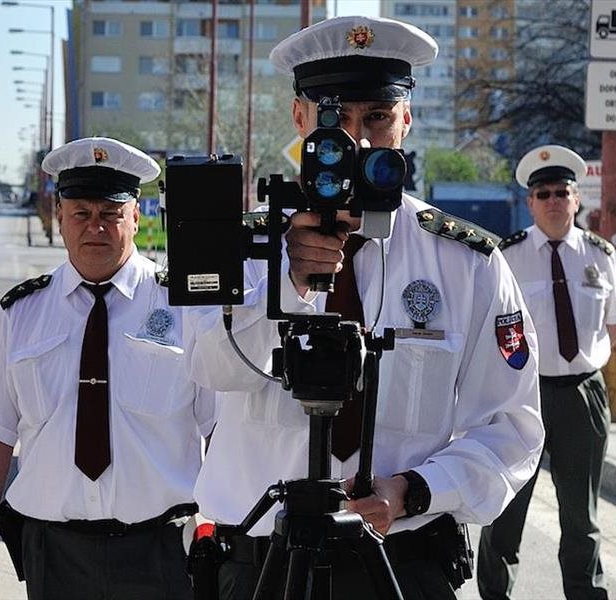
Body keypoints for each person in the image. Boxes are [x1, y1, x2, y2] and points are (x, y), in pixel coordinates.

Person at [183, 15, 545, 600]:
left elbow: (512, 428)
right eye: (335, 120)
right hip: (262, 564)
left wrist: (415, 490)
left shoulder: (467, 263)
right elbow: (208, 369)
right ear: (299, 120)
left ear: (406, 118)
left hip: (402, 561)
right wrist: (290, 280)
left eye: (376, 117)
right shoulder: (243, 249)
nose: (356, 140)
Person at [0, 137, 216, 599]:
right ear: (59, 217)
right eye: (81, 214)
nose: (96, 228)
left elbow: (221, 428)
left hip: (162, 551)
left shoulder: (184, 308)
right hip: (54, 553)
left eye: (111, 214)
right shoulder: (21, 314)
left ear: (135, 216)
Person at [477, 145, 616, 600]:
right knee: (507, 509)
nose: (554, 201)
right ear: (530, 202)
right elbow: (492, 332)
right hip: (523, 395)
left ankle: (585, 594)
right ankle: (496, 594)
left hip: (582, 394)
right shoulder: (507, 257)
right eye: (544, 193)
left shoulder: (600, 255)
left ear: (577, 199)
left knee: (581, 516)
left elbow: (614, 328)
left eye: (563, 192)